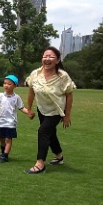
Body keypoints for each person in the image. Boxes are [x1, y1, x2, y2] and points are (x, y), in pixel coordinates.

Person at [24, 46, 75, 174]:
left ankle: (40, 163)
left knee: (43, 131)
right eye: (45, 56)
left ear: (57, 60)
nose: (47, 59)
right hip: (42, 108)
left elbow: (69, 95)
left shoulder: (63, 76)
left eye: (51, 56)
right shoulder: (35, 74)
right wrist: (29, 109)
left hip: (57, 110)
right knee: (50, 133)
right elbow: (31, 92)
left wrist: (67, 115)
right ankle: (59, 156)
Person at [0, 74, 32, 163]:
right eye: (5, 83)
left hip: (11, 122)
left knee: (8, 139)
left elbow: (21, 108)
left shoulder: (16, 97)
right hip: (1, 122)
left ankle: (5, 156)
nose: (6, 85)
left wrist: (29, 113)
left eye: (9, 84)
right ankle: (2, 153)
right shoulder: (0, 95)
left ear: (15, 86)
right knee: (1, 139)